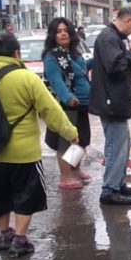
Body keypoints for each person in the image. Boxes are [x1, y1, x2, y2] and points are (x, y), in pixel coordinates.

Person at [0, 34, 78, 257]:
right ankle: (20, 239)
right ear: (16, 53)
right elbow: (50, 110)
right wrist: (71, 133)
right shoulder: (27, 78)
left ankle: (4, 235)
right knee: (25, 197)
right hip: (23, 155)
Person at [89, 7, 131, 206]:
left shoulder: (115, 37)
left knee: (123, 144)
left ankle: (117, 182)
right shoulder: (108, 38)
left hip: (117, 99)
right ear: (127, 19)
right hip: (110, 102)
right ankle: (109, 189)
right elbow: (116, 67)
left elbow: (124, 71)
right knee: (115, 146)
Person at [42, 17, 92, 190]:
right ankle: (65, 177)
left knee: (81, 140)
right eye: (59, 31)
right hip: (67, 105)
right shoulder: (52, 57)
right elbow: (56, 81)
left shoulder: (74, 53)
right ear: (53, 35)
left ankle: (75, 170)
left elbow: (83, 69)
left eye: (65, 30)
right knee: (66, 142)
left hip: (82, 105)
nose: (63, 33)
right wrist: (68, 97)